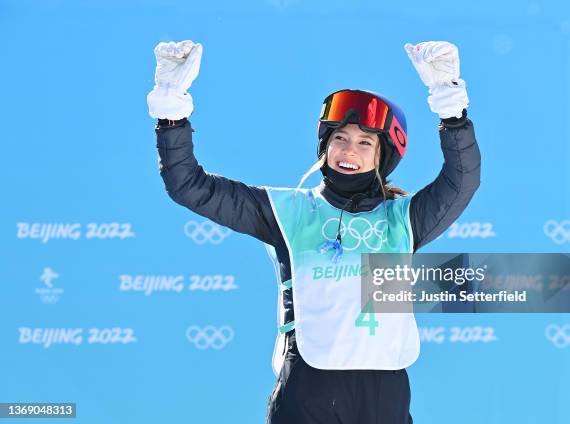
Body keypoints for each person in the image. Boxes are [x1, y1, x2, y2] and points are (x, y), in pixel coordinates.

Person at [147, 40, 481, 424]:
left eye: (363, 143)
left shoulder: (403, 220)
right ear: (325, 147)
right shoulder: (287, 211)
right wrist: (171, 110)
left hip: (384, 395)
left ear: (382, 156)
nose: (348, 151)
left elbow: (462, 181)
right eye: (339, 139)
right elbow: (188, 185)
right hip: (307, 392)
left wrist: (451, 108)